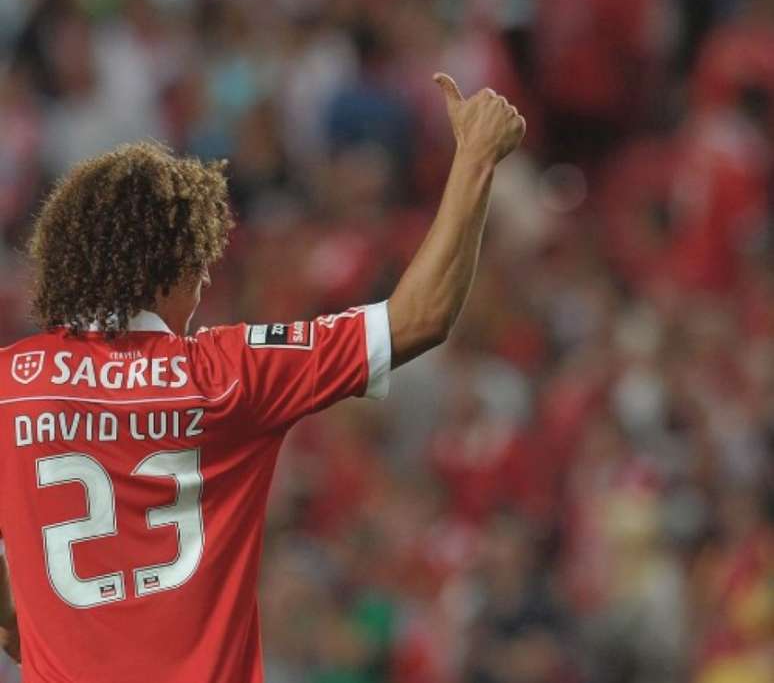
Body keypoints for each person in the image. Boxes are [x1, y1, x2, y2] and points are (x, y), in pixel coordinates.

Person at [0, 74, 525, 683]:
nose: (201, 292)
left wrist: (18, 620)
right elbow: (420, 318)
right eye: (200, 269)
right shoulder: (230, 373)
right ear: (175, 266)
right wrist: (476, 158)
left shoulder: (10, 383)